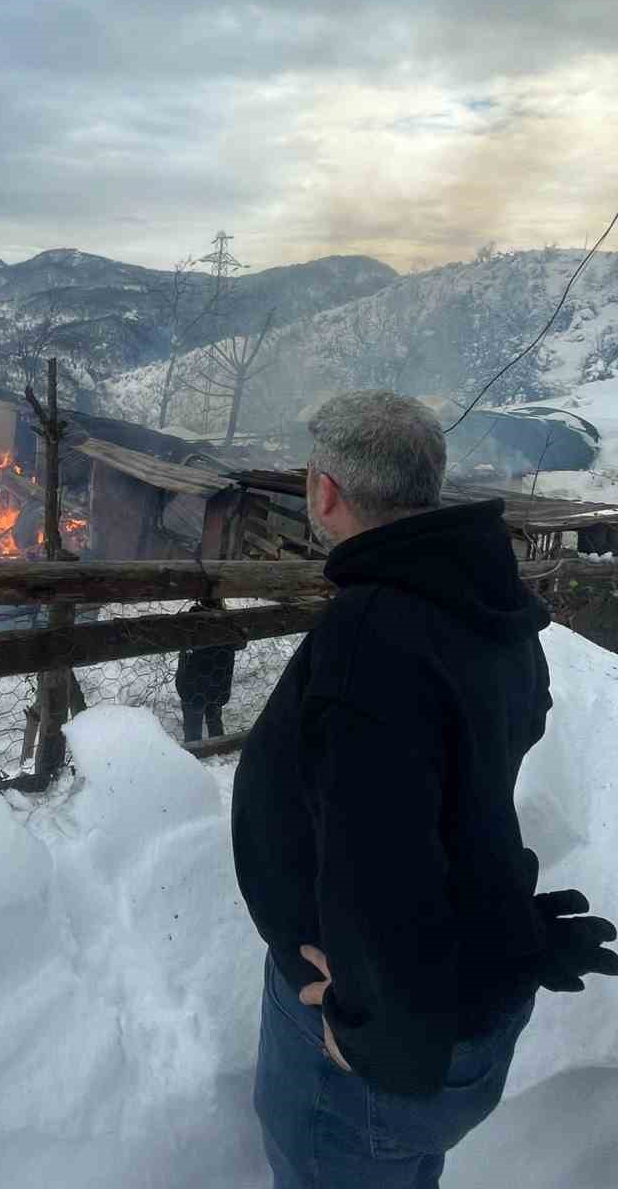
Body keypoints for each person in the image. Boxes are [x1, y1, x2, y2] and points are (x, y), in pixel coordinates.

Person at [231, 390, 617, 1187]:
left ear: (323, 491)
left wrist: (374, 1038)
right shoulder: (486, 602)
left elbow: (381, 863)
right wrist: (500, 929)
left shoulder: (373, 639)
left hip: (378, 1032)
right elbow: (457, 792)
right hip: (461, 990)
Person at [175, 605, 238, 741]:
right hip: (217, 686)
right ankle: (218, 747)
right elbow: (241, 641)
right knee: (214, 720)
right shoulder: (227, 622)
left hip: (193, 689)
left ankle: (194, 752)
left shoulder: (191, 621)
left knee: (193, 729)